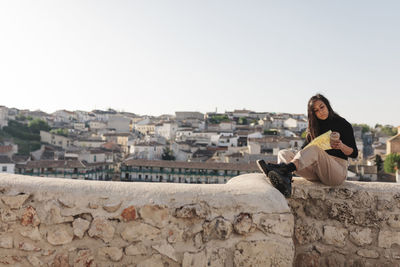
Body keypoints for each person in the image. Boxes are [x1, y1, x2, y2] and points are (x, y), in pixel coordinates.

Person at [257, 94, 358, 198]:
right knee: (283, 153)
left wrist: (341, 146)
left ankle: (284, 169)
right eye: (316, 110)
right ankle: (284, 181)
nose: (320, 112)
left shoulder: (342, 123)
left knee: (314, 149)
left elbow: (354, 153)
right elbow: (303, 152)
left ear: (327, 105)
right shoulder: (314, 127)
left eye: (322, 107)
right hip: (317, 172)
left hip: (336, 172)